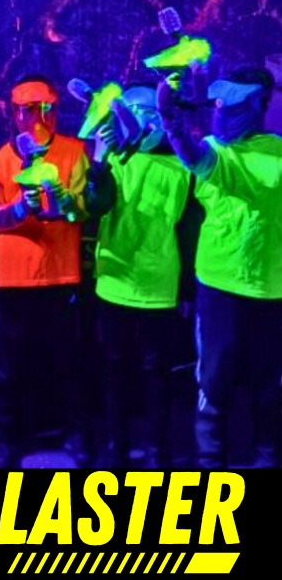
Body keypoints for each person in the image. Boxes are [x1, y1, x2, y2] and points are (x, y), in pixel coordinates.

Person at [157, 65, 282, 468]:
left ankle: (267, 457)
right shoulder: (216, 147)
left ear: (259, 104)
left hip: (272, 289)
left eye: (234, 104)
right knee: (214, 382)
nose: (223, 111)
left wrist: (177, 127)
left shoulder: (277, 153)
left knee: (271, 386)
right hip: (219, 286)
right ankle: (212, 468)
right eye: (220, 103)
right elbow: (198, 158)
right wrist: (174, 128)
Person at [84, 84, 193, 469]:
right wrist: (99, 159)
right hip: (114, 281)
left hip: (158, 284)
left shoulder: (183, 165)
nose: (140, 119)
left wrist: (187, 290)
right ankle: (116, 445)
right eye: (131, 111)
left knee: (156, 370)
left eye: (148, 112)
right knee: (115, 367)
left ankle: (156, 449)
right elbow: (96, 206)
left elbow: (189, 232)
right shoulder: (115, 158)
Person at [0, 74, 90, 468]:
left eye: (46, 108)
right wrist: (18, 209)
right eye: (28, 109)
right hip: (15, 276)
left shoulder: (74, 152)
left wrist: (64, 206)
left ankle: (75, 433)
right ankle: (6, 438)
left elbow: (85, 211)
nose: (38, 117)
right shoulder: (2, 158)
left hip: (62, 273)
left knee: (69, 360)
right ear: (14, 113)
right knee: (10, 365)